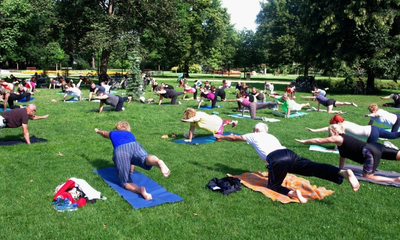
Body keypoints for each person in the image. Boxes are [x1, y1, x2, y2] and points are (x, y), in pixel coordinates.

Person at [214, 123, 359, 203]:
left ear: (257, 130)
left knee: (273, 185)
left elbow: (234, 137)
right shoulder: (270, 135)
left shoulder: (254, 134)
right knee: (313, 167)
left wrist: (221, 136)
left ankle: (293, 193)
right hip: (289, 154)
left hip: (277, 159)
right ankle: (342, 172)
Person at [296, 124, 400, 183]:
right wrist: (340, 169)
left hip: (370, 152)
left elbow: (319, 140)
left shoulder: (338, 137)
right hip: (376, 146)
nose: (328, 134)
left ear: (334, 132)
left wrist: (304, 141)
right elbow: (342, 156)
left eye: (329, 132)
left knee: (368, 176)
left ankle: (395, 179)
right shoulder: (344, 142)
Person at [94, 121, 170, 200]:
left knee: (125, 182)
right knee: (145, 158)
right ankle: (158, 161)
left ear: (117, 128)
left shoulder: (113, 133)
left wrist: (98, 131)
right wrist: (131, 170)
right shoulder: (131, 135)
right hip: (135, 145)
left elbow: (104, 133)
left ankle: (139, 190)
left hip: (121, 149)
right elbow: (131, 157)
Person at [307, 114, 400, 143]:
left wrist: (314, 130)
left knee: (371, 153)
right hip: (372, 128)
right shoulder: (345, 122)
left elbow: (326, 128)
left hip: (370, 134)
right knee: (394, 135)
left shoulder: (339, 126)